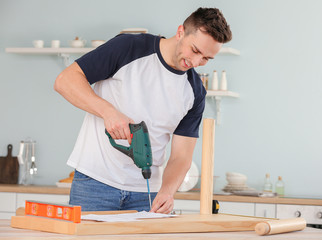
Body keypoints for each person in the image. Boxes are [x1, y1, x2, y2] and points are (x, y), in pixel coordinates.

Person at [54, 7, 232, 214]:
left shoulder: (195, 91)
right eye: (195, 50)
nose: (195, 62)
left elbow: (181, 156)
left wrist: (167, 192)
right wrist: (108, 111)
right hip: (95, 183)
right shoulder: (129, 48)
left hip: (147, 193)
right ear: (181, 31)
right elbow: (65, 81)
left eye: (206, 58)